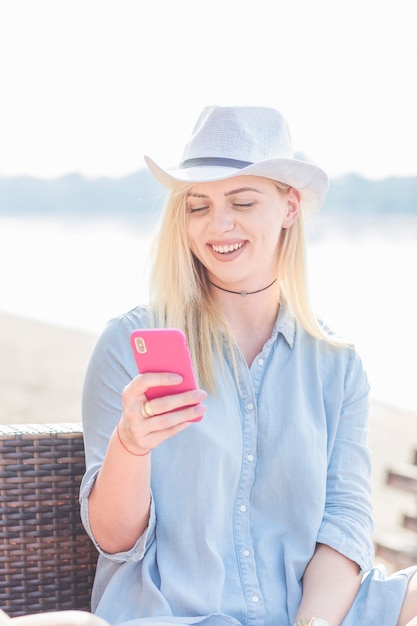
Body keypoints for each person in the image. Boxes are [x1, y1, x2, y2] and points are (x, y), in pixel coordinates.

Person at [80, 105, 417, 626]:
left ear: (289, 207)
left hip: (314, 612)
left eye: (242, 200)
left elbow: (343, 525)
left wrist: (313, 625)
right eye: (198, 206)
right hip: (182, 615)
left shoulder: (337, 365)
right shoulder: (128, 344)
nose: (218, 225)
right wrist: (130, 446)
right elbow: (113, 539)